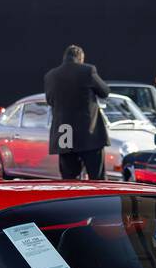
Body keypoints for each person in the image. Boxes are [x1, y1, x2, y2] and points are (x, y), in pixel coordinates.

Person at [44, 44, 110, 180]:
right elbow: (105, 92)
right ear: (81, 58)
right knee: (97, 178)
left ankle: (72, 201)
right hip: (88, 134)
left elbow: (50, 101)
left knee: (69, 179)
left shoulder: (51, 75)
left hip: (64, 133)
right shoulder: (88, 71)